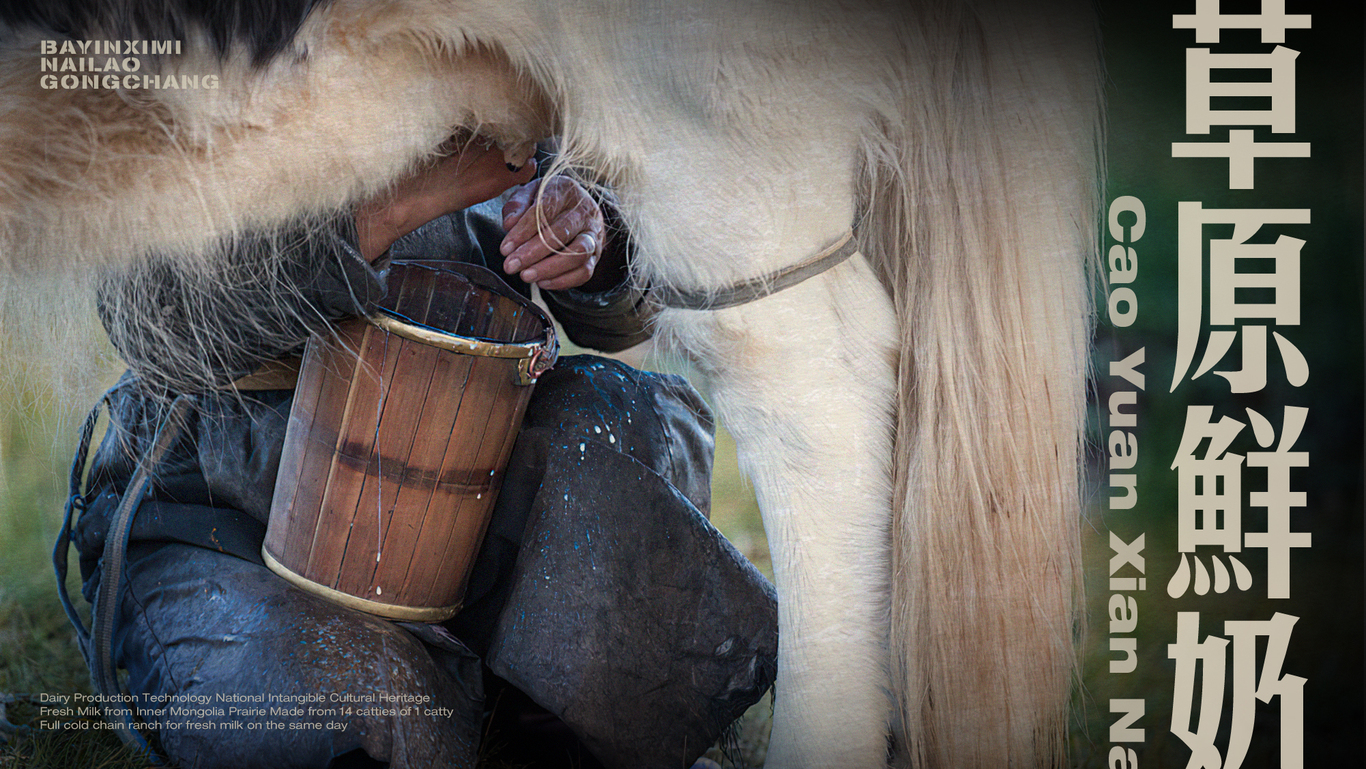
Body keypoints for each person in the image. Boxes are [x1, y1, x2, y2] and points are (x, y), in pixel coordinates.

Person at [62, 138, 777, 769]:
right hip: (230, 508)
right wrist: (402, 203)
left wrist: (590, 233)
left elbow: (623, 316)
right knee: (318, 709)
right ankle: (462, 685)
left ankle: (539, 704)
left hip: (469, 469)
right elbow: (154, 321)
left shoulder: (493, 32)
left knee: (630, 419)